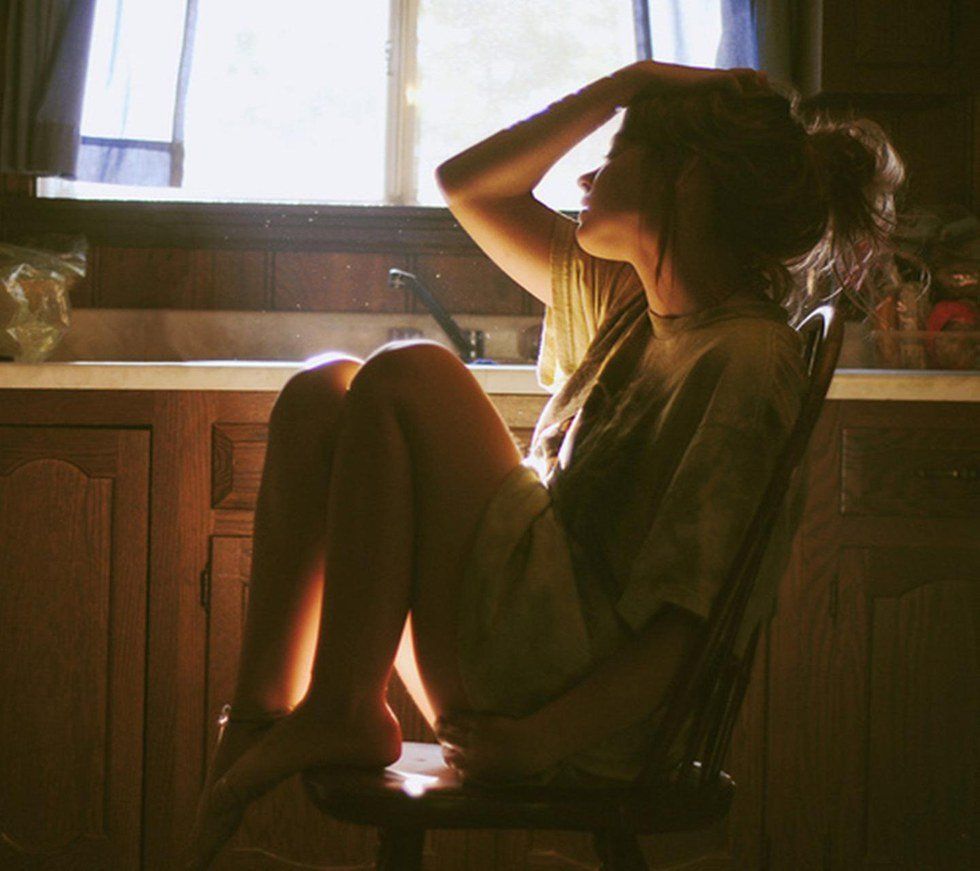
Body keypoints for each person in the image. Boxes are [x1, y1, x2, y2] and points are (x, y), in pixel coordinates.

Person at [184, 60, 903, 867]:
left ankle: (344, 703)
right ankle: (261, 715)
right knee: (322, 392)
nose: (587, 175)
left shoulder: (745, 357)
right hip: (529, 652)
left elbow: (692, 616)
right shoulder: (634, 302)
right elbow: (469, 187)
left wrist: (542, 738)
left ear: (688, 181)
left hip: (578, 712)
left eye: (616, 152)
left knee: (413, 373)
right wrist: (626, 84)